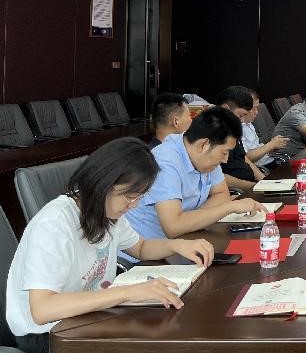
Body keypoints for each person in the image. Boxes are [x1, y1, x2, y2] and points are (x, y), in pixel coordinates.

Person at [6, 138, 214, 353]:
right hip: (47, 333)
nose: (134, 205)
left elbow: (140, 247)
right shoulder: (54, 223)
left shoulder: (107, 212)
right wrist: (128, 292)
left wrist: (177, 245)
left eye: (140, 196)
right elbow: (43, 309)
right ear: (103, 183)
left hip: (86, 315)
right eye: (130, 196)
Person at [125, 106, 266, 241]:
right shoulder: (165, 162)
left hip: (188, 239)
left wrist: (190, 220)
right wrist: (230, 207)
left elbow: (221, 194)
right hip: (150, 250)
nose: (225, 160)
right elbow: (173, 227)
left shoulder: (205, 157)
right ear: (204, 145)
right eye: (224, 152)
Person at [214, 86, 266, 191]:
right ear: (226, 108)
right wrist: (254, 187)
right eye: (240, 115)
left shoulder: (232, 129)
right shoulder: (211, 133)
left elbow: (243, 158)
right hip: (238, 190)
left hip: (250, 185)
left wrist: (264, 181)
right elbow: (216, 176)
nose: (242, 121)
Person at [240, 89, 289, 170]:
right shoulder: (238, 129)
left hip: (269, 160)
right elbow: (247, 158)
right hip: (262, 167)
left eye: (257, 108)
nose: (256, 112)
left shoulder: (249, 123)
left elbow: (256, 147)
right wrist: (271, 145)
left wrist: (273, 145)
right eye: (254, 108)